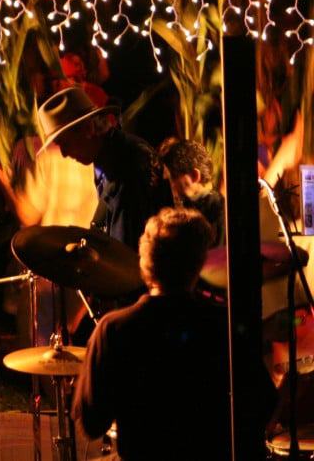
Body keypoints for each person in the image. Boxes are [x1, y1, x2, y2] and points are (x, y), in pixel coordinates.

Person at [73, 208, 276, 460]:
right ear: (197, 264)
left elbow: (91, 424)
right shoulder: (222, 323)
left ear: (145, 258)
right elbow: (263, 402)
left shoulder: (114, 329)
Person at [37, 85, 171, 252]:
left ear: (88, 129)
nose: (63, 154)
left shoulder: (126, 167)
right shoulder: (107, 157)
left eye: (65, 144)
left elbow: (125, 252)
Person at [158, 138, 225, 247]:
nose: (171, 185)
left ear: (194, 176)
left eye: (173, 178)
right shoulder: (189, 203)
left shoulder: (218, 213)